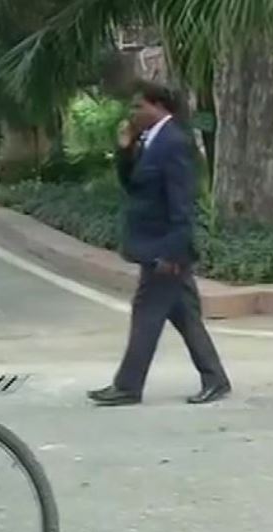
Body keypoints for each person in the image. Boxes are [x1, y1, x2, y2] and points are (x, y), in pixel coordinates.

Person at [88, 82, 231, 406]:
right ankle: (216, 378)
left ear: (158, 107)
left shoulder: (174, 143)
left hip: (165, 250)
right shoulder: (148, 141)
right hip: (154, 245)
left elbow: (182, 204)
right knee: (185, 316)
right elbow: (132, 186)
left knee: (146, 313)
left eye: (139, 107)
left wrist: (173, 252)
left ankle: (127, 386)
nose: (133, 113)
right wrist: (125, 150)